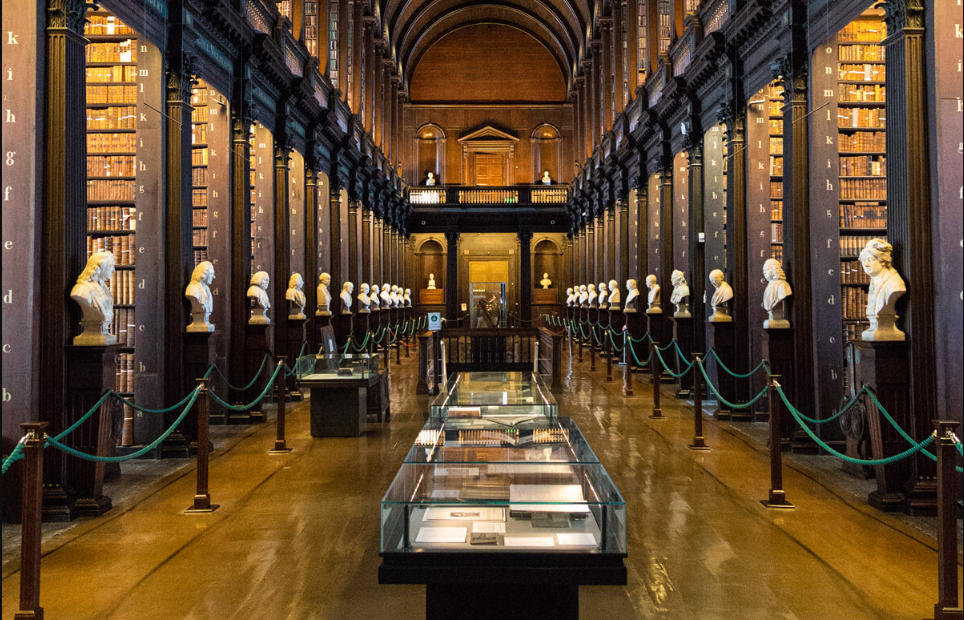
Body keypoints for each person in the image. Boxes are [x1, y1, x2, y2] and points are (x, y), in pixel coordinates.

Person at [859, 238, 906, 340]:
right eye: (863, 260)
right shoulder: (874, 282)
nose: (866, 264)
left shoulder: (894, 284)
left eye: (870, 259)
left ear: (883, 261)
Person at [71, 250, 117, 344]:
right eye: (110, 266)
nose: (113, 270)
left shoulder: (104, 288)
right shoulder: (81, 290)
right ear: (99, 268)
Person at [185, 260, 215, 332]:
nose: (214, 277)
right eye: (212, 274)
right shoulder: (192, 289)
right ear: (204, 274)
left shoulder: (206, 290)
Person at [762, 258, 792, 328]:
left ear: (774, 270)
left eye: (767, 269)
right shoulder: (768, 287)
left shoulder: (783, 286)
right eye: (764, 270)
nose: (764, 272)